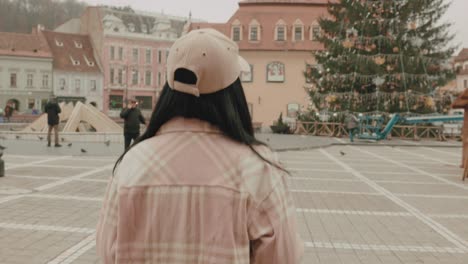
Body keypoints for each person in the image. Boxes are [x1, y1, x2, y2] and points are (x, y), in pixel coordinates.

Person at [97, 29, 303, 264]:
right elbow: (282, 257)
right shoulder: (258, 169)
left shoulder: (131, 165)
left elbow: (107, 251)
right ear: (232, 92)